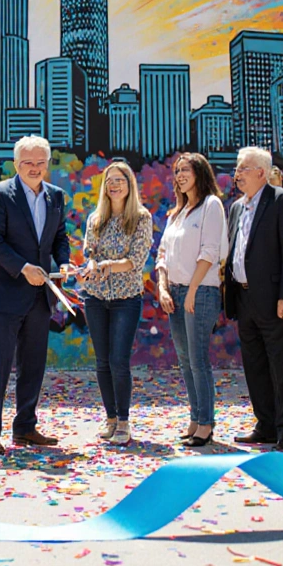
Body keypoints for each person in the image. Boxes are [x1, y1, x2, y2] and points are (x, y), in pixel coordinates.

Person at [0, 135, 70, 456]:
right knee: (0, 364)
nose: (34, 168)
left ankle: (25, 428)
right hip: (7, 294)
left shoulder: (56, 197)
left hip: (41, 297)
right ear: (16, 164)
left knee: (33, 366)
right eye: (27, 162)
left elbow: (59, 237)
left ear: (47, 164)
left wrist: (66, 262)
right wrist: (23, 267)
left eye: (40, 162)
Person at [223, 147, 283, 452]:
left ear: (261, 172)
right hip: (244, 299)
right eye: (237, 169)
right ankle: (265, 424)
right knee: (254, 366)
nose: (237, 174)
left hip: (274, 300)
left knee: (282, 367)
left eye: (243, 169)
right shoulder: (236, 208)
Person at [155, 153, 227, 448]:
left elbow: (210, 252)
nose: (180, 175)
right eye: (177, 171)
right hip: (175, 291)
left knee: (198, 360)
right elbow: (162, 254)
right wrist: (162, 288)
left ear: (200, 173)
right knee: (185, 361)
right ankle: (196, 418)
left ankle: (207, 423)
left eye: (185, 170)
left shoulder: (211, 205)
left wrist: (194, 289)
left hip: (201, 291)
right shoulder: (177, 213)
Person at [79, 161, 153, 446]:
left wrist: (106, 265)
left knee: (118, 361)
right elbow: (90, 253)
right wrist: (91, 265)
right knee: (101, 362)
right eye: (109, 180)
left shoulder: (141, 218)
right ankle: (110, 418)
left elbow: (135, 261)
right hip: (96, 298)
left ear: (129, 184)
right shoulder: (96, 219)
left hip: (125, 300)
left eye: (120, 179)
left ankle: (124, 420)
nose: (114, 184)